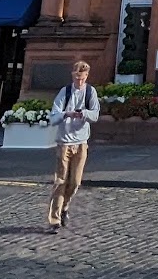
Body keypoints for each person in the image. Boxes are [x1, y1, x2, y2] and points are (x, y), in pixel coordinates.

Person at [45, 61, 101, 232]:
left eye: (82, 78)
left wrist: (83, 113)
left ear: (87, 76)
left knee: (75, 182)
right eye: (77, 78)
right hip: (64, 142)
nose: (79, 81)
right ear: (73, 75)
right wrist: (66, 114)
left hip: (81, 142)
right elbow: (53, 116)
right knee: (60, 181)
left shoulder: (90, 92)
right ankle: (54, 219)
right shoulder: (65, 92)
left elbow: (95, 115)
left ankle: (64, 207)